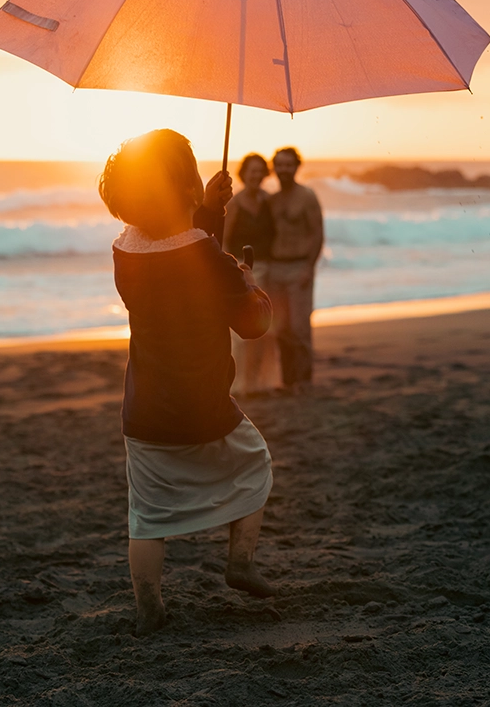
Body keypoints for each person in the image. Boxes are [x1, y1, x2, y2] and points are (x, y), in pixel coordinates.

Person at [99, 129, 280, 635]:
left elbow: (175, 251)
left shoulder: (125, 254)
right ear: (185, 189)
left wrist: (207, 214)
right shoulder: (209, 258)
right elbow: (253, 324)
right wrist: (247, 281)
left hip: (144, 412)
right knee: (254, 465)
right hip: (204, 406)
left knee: (147, 516)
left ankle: (149, 609)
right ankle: (240, 562)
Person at [264, 146, 323, 392]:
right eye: (279, 165)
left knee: (300, 327)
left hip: (299, 266)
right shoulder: (272, 200)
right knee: (281, 329)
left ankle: (304, 380)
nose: (284, 169)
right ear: (274, 168)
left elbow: (317, 234)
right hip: (275, 268)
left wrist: (309, 267)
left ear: (297, 167)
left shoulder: (307, 196)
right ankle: (288, 381)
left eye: (288, 165)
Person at [223, 153, 280, 395]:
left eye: (260, 171)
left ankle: (262, 382)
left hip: (268, 270)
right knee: (242, 331)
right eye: (251, 171)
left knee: (267, 330)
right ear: (243, 174)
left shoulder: (269, 201)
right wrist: (230, 272)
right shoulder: (234, 203)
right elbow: (224, 241)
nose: (256, 175)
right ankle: (240, 385)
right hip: (242, 271)